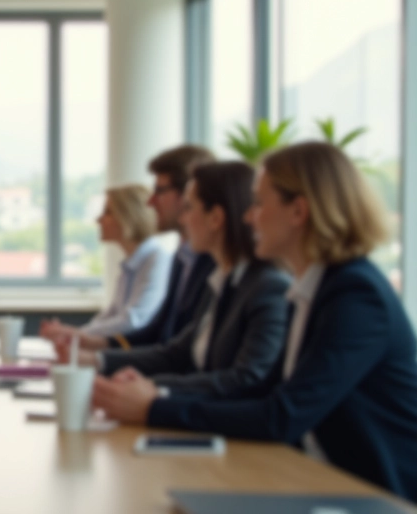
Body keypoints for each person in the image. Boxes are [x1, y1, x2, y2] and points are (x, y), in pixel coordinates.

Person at [93, 142, 417, 500]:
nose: (248, 217)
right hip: (312, 478)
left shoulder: (356, 296)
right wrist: (154, 393)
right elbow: (260, 392)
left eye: (260, 203)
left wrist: (155, 406)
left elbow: (283, 414)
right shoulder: (310, 288)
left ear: (298, 211)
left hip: (374, 494)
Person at [56, 162, 290, 400]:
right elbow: (177, 353)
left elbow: (246, 379)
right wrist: (101, 362)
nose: (183, 218)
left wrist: (154, 392)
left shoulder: (265, 287)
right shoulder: (222, 281)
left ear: (216, 218)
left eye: (188, 208)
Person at [42, 145, 216, 349]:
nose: (150, 202)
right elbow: (155, 333)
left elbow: (136, 321)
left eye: (159, 191)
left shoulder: (168, 259)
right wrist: (86, 343)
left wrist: (83, 340)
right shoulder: (180, 257)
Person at [58, 185, 172, 337]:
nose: (98, 220)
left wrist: (76, 335)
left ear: (129, 216)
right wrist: (75, 334)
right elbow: (110, 315)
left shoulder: (157, 259)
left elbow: (134, 320)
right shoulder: (131, 264)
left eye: (107, 212)